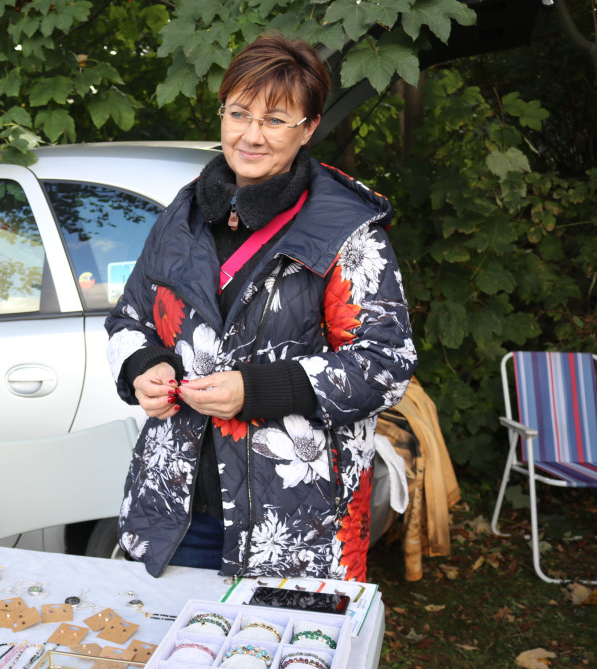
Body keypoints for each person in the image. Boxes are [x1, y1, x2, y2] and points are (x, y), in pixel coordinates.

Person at [105, 33, 417, 580]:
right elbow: (127, 320)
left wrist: (256, 390)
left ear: (309, 127)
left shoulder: (348, 234)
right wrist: (142, 366)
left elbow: (385, 364)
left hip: (296, 525)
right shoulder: (181, 217)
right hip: (174, 512)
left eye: (275, 120)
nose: (251, 135)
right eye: (239, 113)